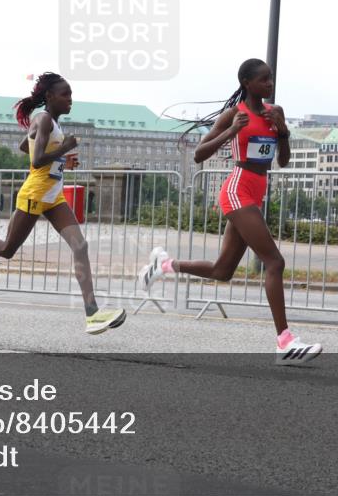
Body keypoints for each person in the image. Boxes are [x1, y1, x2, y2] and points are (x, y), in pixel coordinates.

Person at [137, 59, 321, 365]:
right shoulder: (234, 115)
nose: (270, 84)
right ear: (247, 83)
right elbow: (198, 154)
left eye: (271, 79)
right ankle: (285, 342)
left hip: (256, 191)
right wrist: (231, 131)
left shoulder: (275, 112)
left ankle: (164, 265)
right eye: (264, 80)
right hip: (237, 190)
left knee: (223, 271)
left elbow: (283, 161)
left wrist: (284, 131)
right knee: (274, 262)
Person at [0, 72, 126, 335]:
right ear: (50, 96)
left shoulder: (49, 122)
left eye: (71, 94)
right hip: (35, 195)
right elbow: (35, 160)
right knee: (7, 249)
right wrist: (64, 148)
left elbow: (26, 146)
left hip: (53, 197)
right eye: (65, 94)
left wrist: (61, 161)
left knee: (80, 246)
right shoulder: (44, 119)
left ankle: (92, 313)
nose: (71, 99)